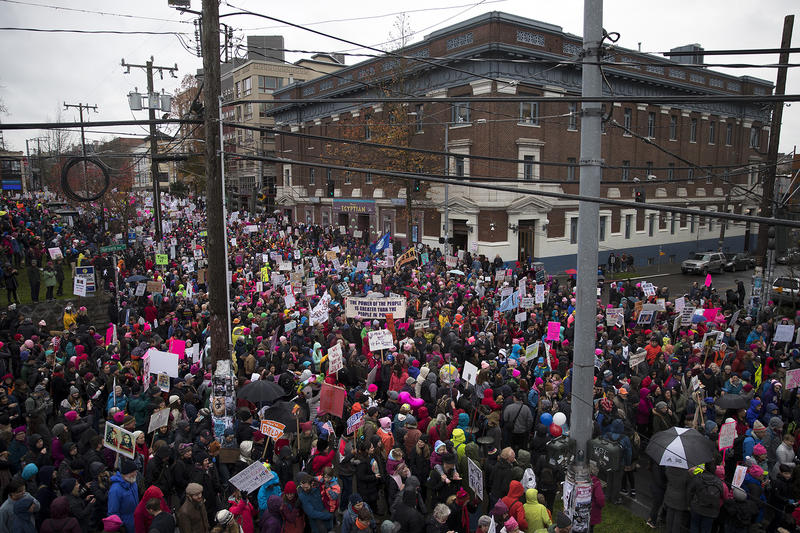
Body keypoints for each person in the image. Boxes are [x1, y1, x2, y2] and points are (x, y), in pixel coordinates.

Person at [107, 459, 139, 533]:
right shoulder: (115, 490)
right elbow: (112, 513)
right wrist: (121, 527)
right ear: (126, 473)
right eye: (133, 472)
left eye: (136, 471)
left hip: (135, 522)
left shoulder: (133, 482)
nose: (135, 474)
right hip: (125, 526)